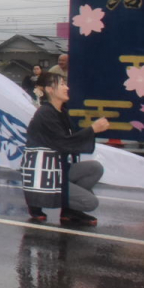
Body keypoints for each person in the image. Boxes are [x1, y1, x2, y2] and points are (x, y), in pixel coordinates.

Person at [23, 71, 107, 226]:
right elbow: (63, 142)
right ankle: (40, 201)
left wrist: (91, 130)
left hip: (59, 168)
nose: (67, 87)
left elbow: (70, 140)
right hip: (46, 174)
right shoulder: (45, 113)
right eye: (62, 84)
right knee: (90, 202)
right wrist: (92, 130)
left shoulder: (61, 112)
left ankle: (69, 211)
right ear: (49, 89)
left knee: (94, 168)